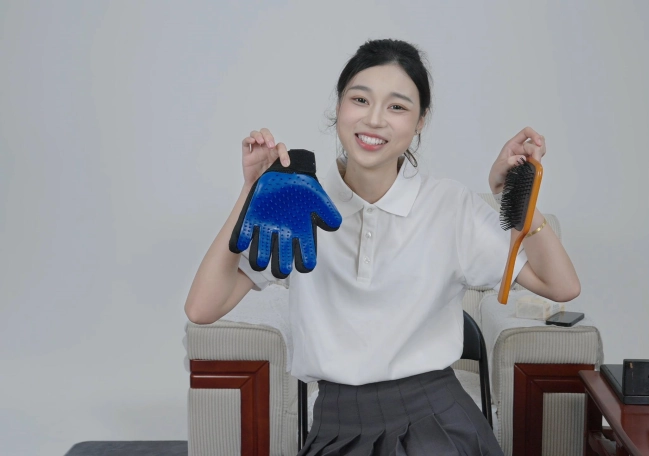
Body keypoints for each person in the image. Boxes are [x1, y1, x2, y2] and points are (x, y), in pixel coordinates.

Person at [185, 39, 580, 456]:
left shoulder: (449, 205)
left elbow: (561, 286)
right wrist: (251, 190)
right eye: (360, 99)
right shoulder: (300, 203)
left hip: (437, 424)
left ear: (420, 121)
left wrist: (515, 196)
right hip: (335, 427)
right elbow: (202, 308)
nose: (374, 119)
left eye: (397, 106)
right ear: (339, 105)